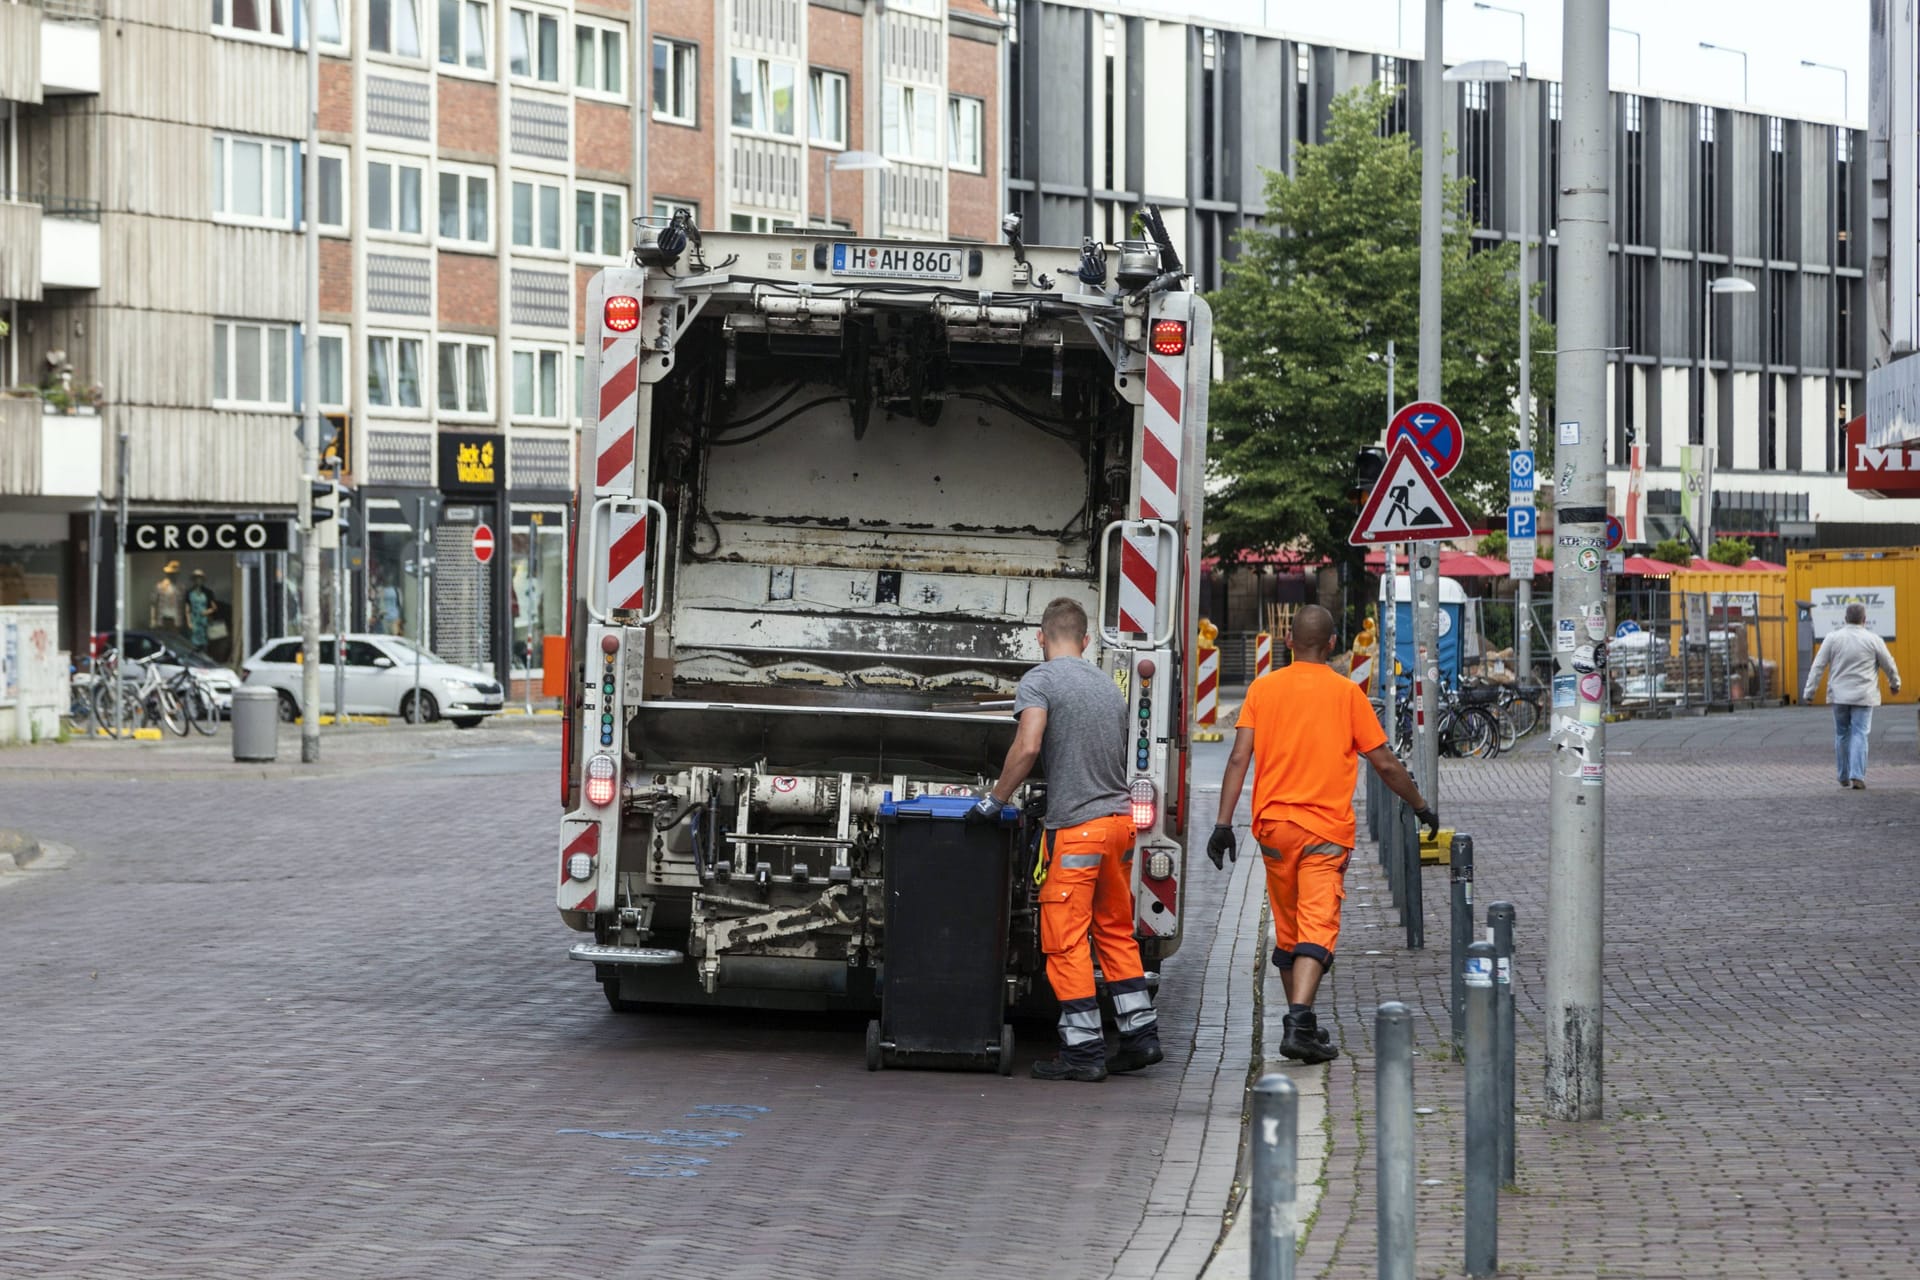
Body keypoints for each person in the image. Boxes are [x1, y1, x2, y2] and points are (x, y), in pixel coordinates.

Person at [1207, 604, 1436, 1064]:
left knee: (1289, 932)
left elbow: (1238, 759)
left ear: (1288, 642)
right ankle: (1297, 1025)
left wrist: (1222, 825)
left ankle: (1303, 1027)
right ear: (1333, 645)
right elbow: (1385, 763)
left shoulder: (1263, 688)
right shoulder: (1347, 693)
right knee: (1318, 927)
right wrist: (1419, 805)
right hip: (1323, 832)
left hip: (1273, 830)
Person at [969, 596, 1162, 1083]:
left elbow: (1029, 744)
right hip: (1119, 828)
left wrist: (996, 799)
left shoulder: (1041, 680)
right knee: (1115, 931)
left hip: (1078, 831)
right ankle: (1140, 1037)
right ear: (1085, 640)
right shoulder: (1108, 685)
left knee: (1065, 940)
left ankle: (1083, 1052)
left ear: (1041, 637)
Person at [1803, 602, 1901, 790]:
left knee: (1842, 734)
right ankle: (1857, 775)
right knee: (1860, 734)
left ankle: (1843, 775)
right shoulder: (1873, 640)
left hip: (1839, 696)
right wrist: (1895, 684)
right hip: (1864, 696)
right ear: (1865, 620)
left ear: (1845, 619)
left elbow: (1818, 666)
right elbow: (1889, 664)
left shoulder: (1833, 639)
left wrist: (1809, 692)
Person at [184, 569, 216, 650]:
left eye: (200, 578)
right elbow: (187, 608)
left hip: (204, 621)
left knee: (204, 644)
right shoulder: (189, 592)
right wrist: (189, 622)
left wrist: (206, 612)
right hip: (194, 621)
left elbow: (214, 607)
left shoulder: (208, 592)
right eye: (196, 578)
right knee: (193, 644)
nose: (198, 580)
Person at [150, 560, 183, 630]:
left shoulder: (180, 588)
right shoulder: (159, 586)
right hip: (163, 619)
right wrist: (152, 619)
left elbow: (182, 605)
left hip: (175, 620)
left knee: (174, 639)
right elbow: (153, 603)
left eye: (175, 573)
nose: (173, 575)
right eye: (171, 573)